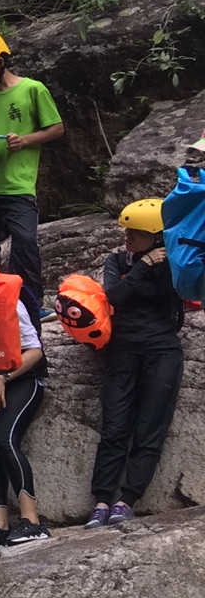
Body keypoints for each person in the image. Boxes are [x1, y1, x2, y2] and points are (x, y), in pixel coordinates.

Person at [86, 198, 185, 529]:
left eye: (136, 233)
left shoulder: (175, 264)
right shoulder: (117, 261)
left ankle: (126, 499)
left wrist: (166, 260)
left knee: (148, 429)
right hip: (122, 352)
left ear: (157, 237)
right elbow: (115, 296)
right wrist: (142, 264)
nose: (128, 237)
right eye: (127, 231)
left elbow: (189, 284)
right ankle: (101, 500)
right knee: (114, 428)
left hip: (162, 352)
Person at [0, 30, 63, 322]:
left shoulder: (32, 89)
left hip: (16, 184)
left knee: (25, 241)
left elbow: (56, 128)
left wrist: (25, 141)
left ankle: (32, 305)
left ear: (1, 60)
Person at [0, 298, 50, 553]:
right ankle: (0, 526)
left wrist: (3, 378)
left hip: (23, 378)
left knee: (3, 438)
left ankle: (32, 521)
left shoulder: (7, 301)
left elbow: (35, 351)